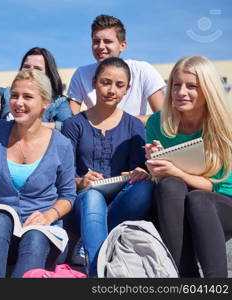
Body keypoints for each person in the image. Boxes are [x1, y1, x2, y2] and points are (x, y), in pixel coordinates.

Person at [0, 69, 76, 278]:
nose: (19, 103)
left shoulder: (61, 145)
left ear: (44, 103)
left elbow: (68, 195)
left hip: (42, 234)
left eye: (27, 97)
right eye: (15, 96)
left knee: (36, 236)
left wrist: (48, 215)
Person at [62, 57, 154, 277]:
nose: (112, 90)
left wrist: (137, 174)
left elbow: (139, 169)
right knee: (93, 197)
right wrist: (81, 182)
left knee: (145, 188)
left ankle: (90, 239)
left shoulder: (133, 125)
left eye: (119, 85)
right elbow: (62, 176)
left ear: (127, 89)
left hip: (121, 202)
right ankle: (97, 272)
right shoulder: (73, 125)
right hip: (81, 203)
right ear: (94, 82)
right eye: (106, 82)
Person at [145, 56, 232, 278]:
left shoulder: (225, 125)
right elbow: (162, 181)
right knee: (169, 185)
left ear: (208, 89)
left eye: (191, 86)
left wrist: (177, 171)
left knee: (199, 198)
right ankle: (186, 278)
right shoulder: (157, 122)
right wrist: (155, 164)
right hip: (175, 208)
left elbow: (220, 187)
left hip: (219, 208)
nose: (181, 92)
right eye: (176, 85)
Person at [67, 14, 166, 125]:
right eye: (96, 41)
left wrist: (120, 123)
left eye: (107, 41)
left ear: (122, 45)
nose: (100, 46)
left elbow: (163, 116)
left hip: (136, 138)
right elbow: (71, 121)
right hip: (95, 138)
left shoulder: (143, 70)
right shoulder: (81, 74)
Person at [0, 47, 73, 130]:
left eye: (37, 68)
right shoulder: (7, 93)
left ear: (49, 74)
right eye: (26, 67)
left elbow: (70, 127)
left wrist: (31, 125)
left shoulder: (58, 102)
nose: (31, 71)